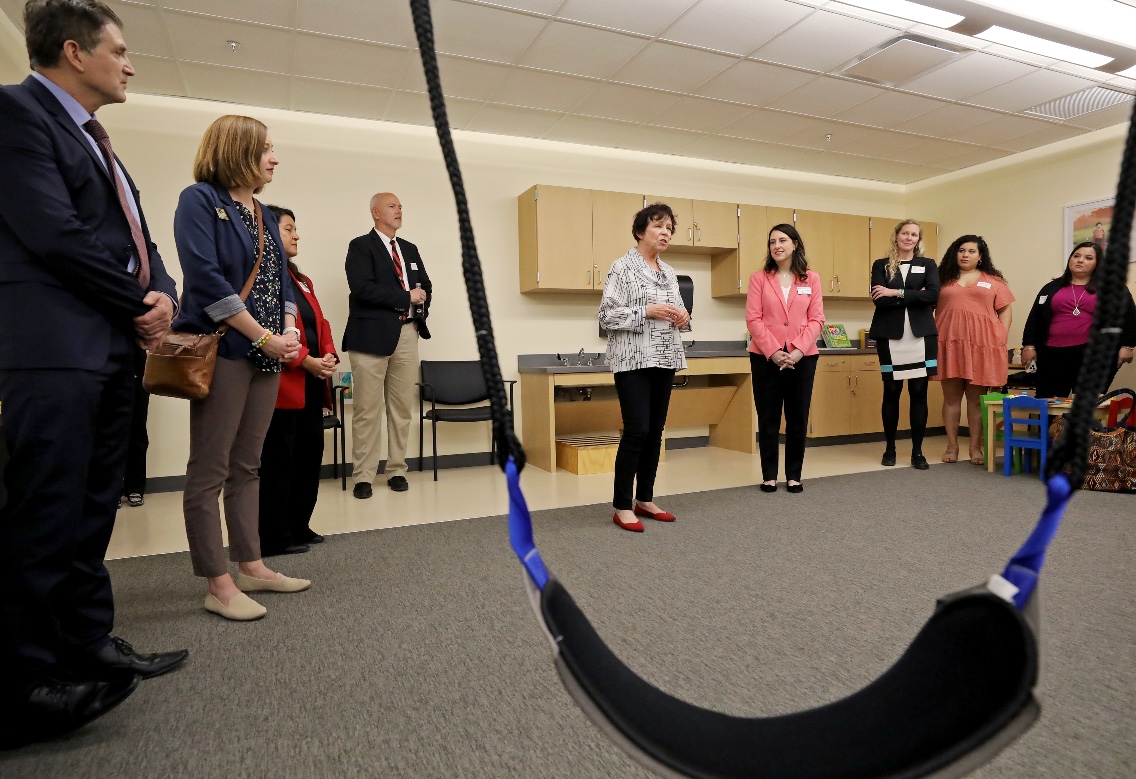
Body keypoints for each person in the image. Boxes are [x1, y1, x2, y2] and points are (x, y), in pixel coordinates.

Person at [0, 0, 187, 745]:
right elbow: (55, 233)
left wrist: (164, 296)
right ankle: (22, 684)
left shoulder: (101, 145)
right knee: (45, 514)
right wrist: (138, 303)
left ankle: (87, 644)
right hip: (55, 346)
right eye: (120, 50)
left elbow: (136, 239)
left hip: (111, 347)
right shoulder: (16, 115)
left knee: (92, 508)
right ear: (75, 52)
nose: (130, 62)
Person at [174, 115, 310, 622]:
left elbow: (283, 280)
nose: (274, 158)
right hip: (228, 349)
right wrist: (264, 336)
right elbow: (205, 279)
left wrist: (290, 328)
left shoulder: (263, 212)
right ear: (236, 151)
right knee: (210, 468)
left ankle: (251, 564)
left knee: (248, 464)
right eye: (266, 149)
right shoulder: (200, 201)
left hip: (267, 353)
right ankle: (217, 581)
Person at [598, 202, 690, 532]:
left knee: (654, 432)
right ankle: (622, 505)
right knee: (637, 430)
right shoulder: (621, 268)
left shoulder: (669, 273)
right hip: (632, 360)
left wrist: (684, 317)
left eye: (669, 228)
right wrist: (646, 311)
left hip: (665, 358)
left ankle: (645, 498)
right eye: (658, 226)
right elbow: (606, 317)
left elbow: (681, 314)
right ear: (640, 231)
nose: (665, 232)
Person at [258, 205, 339, 555]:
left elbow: (320, 325)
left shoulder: (302, 281)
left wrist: (329, 356)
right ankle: (274, 536)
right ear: (270, 233)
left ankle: (298, 525)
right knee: (279, 460)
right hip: (283, 381)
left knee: (309, 456)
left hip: (310, 381)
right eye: (289, 228)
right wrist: (307, 361)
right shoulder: (264, 276)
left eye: (296, 228)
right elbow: (273, 331)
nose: (296, 235)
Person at [342, 192, 433, 497]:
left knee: (401, 409)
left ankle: (396, 469)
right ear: (376, 213)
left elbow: (425, 286)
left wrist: (421, 307)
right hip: (370, 337)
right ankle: (364, 476)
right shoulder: (360, 246)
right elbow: (363, 289)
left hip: (407, 334)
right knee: (367, 410)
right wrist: (406, 296)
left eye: (400, 206)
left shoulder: (409, 249)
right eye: (392, 206)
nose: (399, 210)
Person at [746, 224, 825, 494]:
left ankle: (793, 475)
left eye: (782, 240)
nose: (777, 246)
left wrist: (798, 351)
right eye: (771, 242)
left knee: (797, 417)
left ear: (794, 244)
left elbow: (817, 319)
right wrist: (773, 351)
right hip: (766, 358)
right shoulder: (759, 278)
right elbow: (753, 319)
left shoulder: (811, 278)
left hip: (802, 358)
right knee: (768, 417)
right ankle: (769, 475)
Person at [934, 235, 1014, 465]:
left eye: (971, 251)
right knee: (951, 399)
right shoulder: (941, 279)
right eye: (961, 250)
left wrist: (1001, 334)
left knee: (976, 400)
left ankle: (975, 448)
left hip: (982, 346)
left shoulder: (994, 280)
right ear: (954, 253)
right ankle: (951, 447)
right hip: (949, 343)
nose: (965, 255)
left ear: (980, 256)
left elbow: (1005, 310)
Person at [1021, 242, 1136, 398]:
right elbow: (1035, 317)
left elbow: (1129, 316)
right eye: (1076, 256)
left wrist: (1128, 345)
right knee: (1045, 403)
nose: (1080, 260)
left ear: (1097, 264)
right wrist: (1028, 346)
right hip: (1051, 355)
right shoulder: (1050, 288)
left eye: (1088, 258)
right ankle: (1057, 424)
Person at [868, 220, 939, 470]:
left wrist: (894, 293)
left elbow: (933, 295)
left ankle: (917, 452)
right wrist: (913, 295)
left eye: (914, 235)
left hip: (921, 338)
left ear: (918, 240)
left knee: (919, 394)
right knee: (891, 393)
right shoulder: (881, 265)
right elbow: (879, 300)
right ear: (896, 236)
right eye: (905, 233)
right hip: (890, 337)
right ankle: (890, 449)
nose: (909, 238)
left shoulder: (927, 264)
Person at [122, 346, 149, 507]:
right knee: (111, 434)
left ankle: (135, 487)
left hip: (139, 371)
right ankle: (113, 488)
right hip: (110, 369)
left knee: (138, 431)